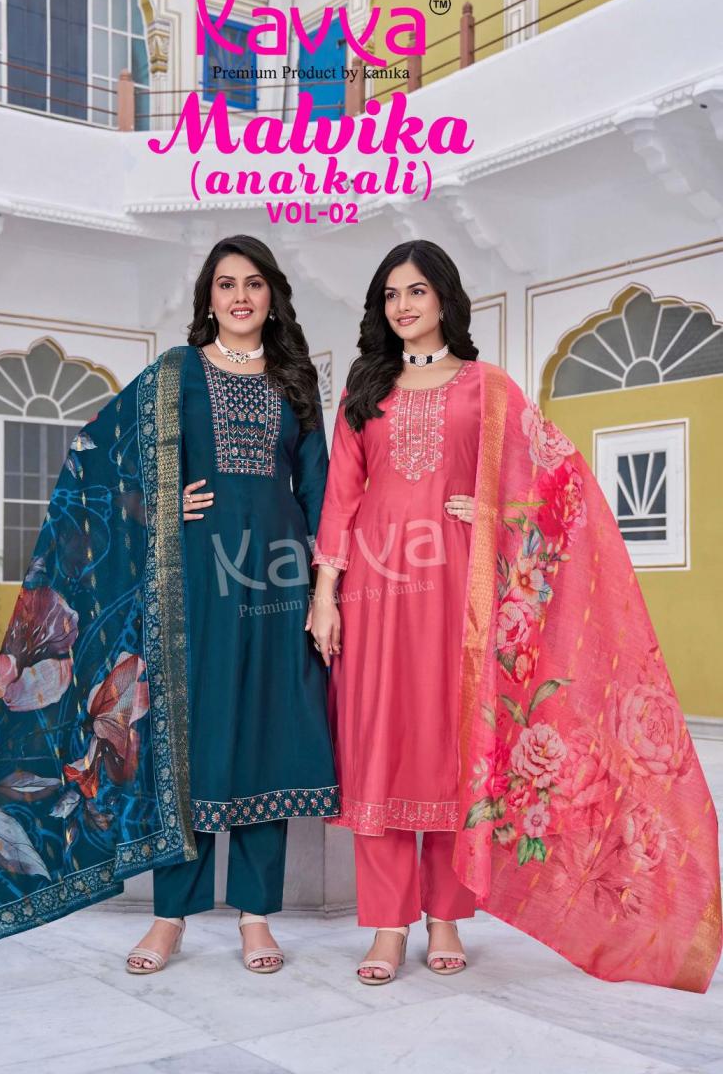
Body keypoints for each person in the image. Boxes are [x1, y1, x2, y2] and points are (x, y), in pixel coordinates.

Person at [0, 235, 339, 973]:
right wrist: (162, 500)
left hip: (276, 581)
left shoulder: (295, 380)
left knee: (263, 737)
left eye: (253, 283)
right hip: (190, 586)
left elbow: (320, 487)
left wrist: (325, 589)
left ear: (272, 296)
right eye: (226, 283)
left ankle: (255, 917)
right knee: (182, 742)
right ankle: (170, 916)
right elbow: (96, 457)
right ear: (208, 297)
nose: (240, 296)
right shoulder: (174, 374)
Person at [309, 240, 722, 992]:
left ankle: (444, 917)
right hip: (377, 590)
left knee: (451, 748)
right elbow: (341, 496)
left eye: (416, 291)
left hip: (460, 595)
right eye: (392, 294)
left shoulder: (488, 388)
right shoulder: (364, 391)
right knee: (379, 750)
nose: (403, 306)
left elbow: (559, 482)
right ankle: (386, 925)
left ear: (444, 299)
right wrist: (325, 593)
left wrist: (497, 513)